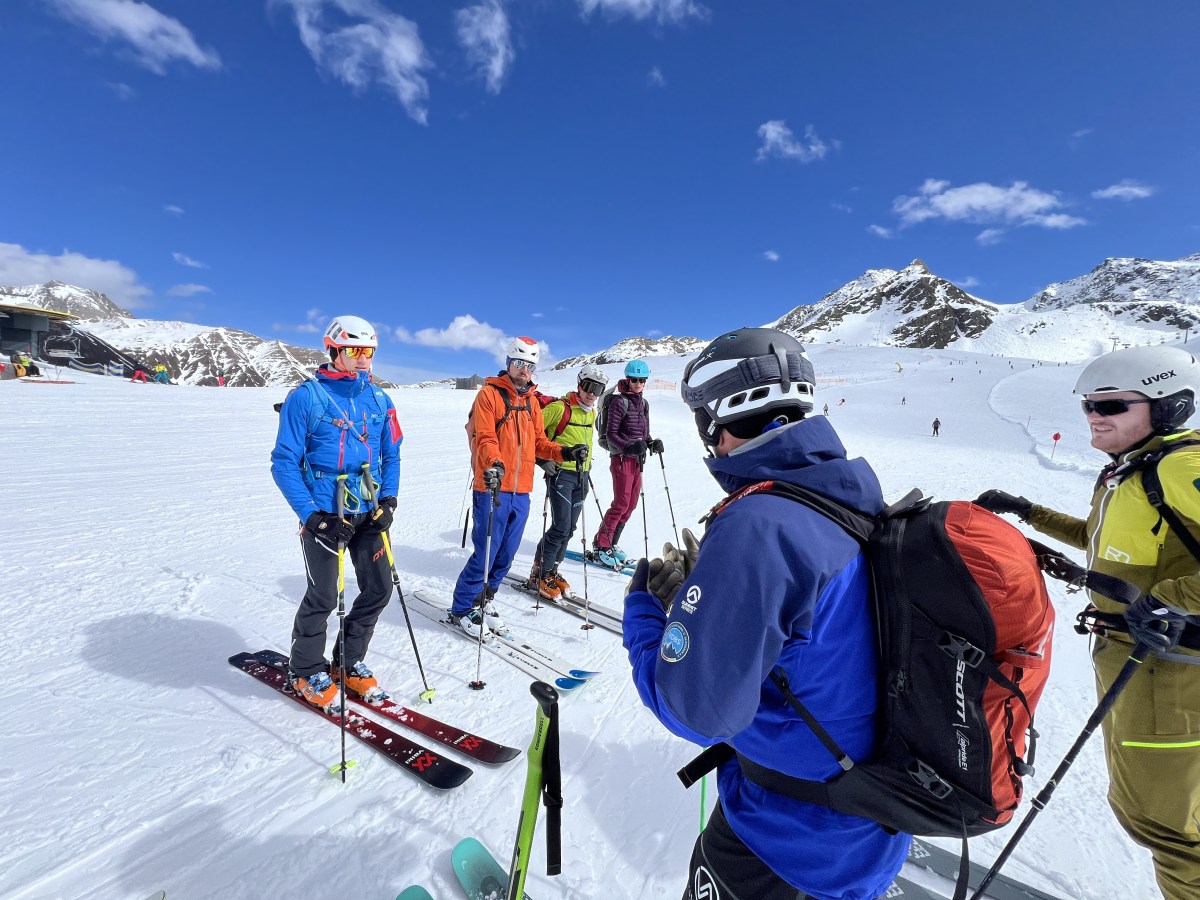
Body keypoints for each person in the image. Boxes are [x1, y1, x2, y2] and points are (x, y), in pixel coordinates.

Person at [623, 327, 909, 900]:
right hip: (867, 824)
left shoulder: (761, 523)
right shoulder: (845, 493)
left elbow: (696, 709)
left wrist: (649, 618)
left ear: (720, 420)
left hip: (784, 838)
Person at [975, 345, 1200, 900]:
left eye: (1112, 406)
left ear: (1168, 406)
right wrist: (1030, 512)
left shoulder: (1182, 465)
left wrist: (1169, 597)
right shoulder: (1133, 469)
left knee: (1161, 824)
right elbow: (1106, 547)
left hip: (1165, 671)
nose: (1095, 416)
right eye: (1088, 406)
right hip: (1132, 656)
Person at [270, 315, 402, 711]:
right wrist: (312, 516)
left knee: (379, 589)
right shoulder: (305, 397)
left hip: (368, 508)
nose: (363, 360)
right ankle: (305, 669)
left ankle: (347, 662)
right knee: (325, 595)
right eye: (354, 351)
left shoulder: (380, 399)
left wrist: (389, 500)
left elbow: (391, 454)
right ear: (333, 349)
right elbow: (283, 463)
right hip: (326, 514)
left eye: (369, 352)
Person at [452, 336, 587, 637]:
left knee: (507, 553)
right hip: (492, 487)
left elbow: (539, 442)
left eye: (530, 366)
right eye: (519, 364)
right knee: (486, 551)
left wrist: (564, 452)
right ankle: (462, 607)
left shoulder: (533, 404)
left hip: (521, 489)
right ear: (508, 364)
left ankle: (485, 601)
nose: (524, 370)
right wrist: (494, 464)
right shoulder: (489, 395)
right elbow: (485, 436)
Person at [528, 364, 607, 600]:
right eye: (589, 386)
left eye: (599, 389)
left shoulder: (591, 412)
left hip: (582, 476)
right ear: (579, 384)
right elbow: (530, 434)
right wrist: (542, 461)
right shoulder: (559, 408)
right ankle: (539, 574)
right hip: (561, 474)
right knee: (560, 526)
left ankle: (552, 570)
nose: (592, 393)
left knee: (570, 528)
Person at [594, 359, 662, 567]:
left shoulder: (644, 403)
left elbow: (644, 432)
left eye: (642, 380)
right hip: (622, 459)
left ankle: (612, 544)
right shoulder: (618, 402)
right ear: (627, 379)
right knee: (621, 504)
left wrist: (652, 443)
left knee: (631, 505)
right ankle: (601, 545)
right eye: (634, 380)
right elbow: (612, 434)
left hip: (637, 461)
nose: (638, 384)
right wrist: (628, 447)